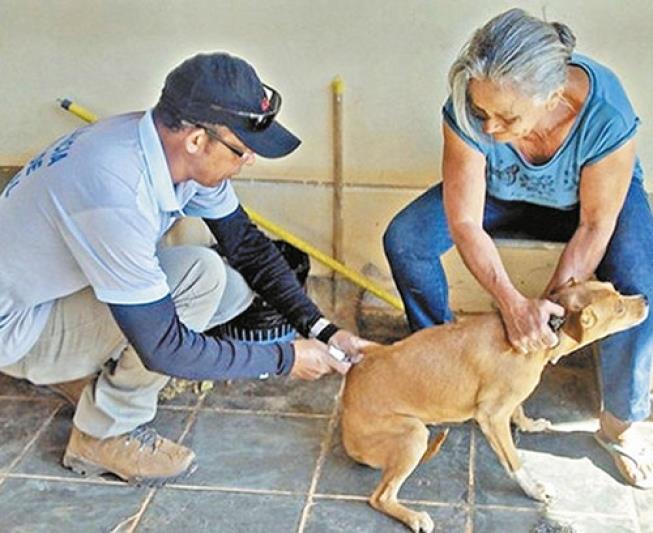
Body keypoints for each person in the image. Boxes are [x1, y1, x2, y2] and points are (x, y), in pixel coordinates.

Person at [0, 52, 367, 485]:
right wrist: (285, 359)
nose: (248, 160)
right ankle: (102, 435)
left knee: (220, 281)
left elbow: (248, 246)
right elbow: (165, 348)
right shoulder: (114, 190)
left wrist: (321, 329)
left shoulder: (154, 144)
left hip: (45, 294)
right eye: (241, 149)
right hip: (16, 328)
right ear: (196, 139)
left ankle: (85, 376)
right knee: (196, 286)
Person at [384, 8, 652, 489]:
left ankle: (621, 424)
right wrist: (512, 303)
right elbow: (464, 220)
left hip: (589, 203)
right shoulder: (468, 107)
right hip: (503, 194)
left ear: (552, 98)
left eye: (507, 117)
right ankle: (449, 367)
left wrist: (543, 316)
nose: (489, 129)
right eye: (483, 112)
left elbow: (595, 225)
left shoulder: (606, 112)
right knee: (406, 241)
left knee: (639, 281)